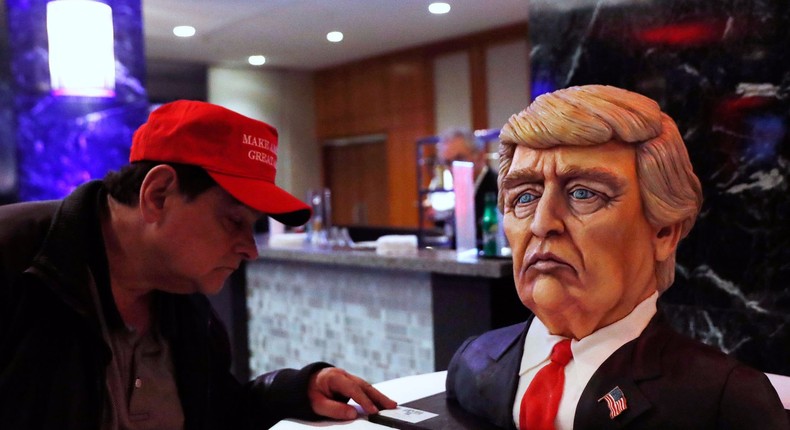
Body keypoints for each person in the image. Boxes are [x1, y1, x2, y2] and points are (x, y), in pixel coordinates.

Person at [0, 100, 396, 430]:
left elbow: (217, 413)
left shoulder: (185, 299)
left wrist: (294, 388)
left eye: (254, 226)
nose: (249, 249)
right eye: (234, 220)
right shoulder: (16, 262)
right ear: (158, 195)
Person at [445, 85, 788, 429]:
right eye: (524, 197)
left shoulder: (726, 400)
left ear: (664, 232)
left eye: (583, 193)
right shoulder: (472, 364)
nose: (542, 223)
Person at [429, 127, 498, 246]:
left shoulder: (499, 186)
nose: (452, 168)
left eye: (459, 159)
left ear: (480, 156)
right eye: (447, 162)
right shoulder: (462, 189)